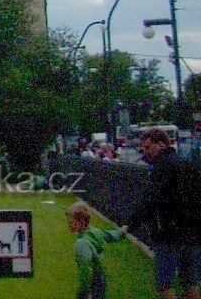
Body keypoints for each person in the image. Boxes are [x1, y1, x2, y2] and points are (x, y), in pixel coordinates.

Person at [123, 127, 201, 299]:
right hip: (192, 232)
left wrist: (130, 224)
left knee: (165, 285)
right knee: (191, 282)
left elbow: (150, 201)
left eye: (148, 147)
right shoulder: (187, 164)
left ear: (161, 144)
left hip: (168, 233)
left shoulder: (161, 168)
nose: (146, 152)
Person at [68, 201, 126, 299]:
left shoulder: (81, 243)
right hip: (101, 278)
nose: (69, 225)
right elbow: (109, 235)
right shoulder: (94, 232)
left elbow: (86, 269)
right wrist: (121, 233)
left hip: (92, 282)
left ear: (81, 222)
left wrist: (83, 290)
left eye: (71, 222)